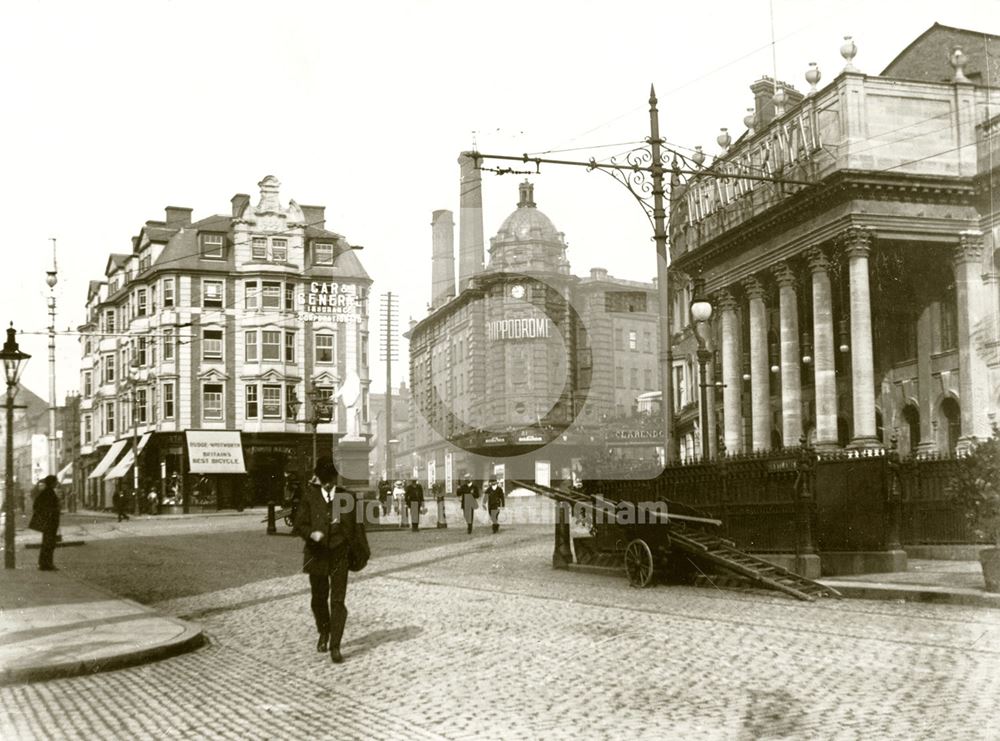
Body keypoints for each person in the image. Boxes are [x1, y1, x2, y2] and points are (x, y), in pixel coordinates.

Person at [295, 458, 358, 664]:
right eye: (324, 481)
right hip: (316, 554)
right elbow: (299, 524)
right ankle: (324, 631)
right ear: (319, 480)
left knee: (338, 601)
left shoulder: (346, 497)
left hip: (340, 555)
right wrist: (311, 533)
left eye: (330, 479)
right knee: (318, 599)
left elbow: (356, 528)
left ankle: (335, 646)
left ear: (335, 478)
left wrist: (354, 550)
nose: (328, 484)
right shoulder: (309, 497)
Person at [30, 475, 61, 571]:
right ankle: (47, 564)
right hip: (50, 522)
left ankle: (44, 563)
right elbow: (38, 506)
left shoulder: (46, 492)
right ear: (52, 483)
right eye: (55, 481)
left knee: (47, 543)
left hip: (49, 521)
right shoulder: (48, 493)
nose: (57, 483)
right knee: (49, 543)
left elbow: (36, 505)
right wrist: (50, 513)